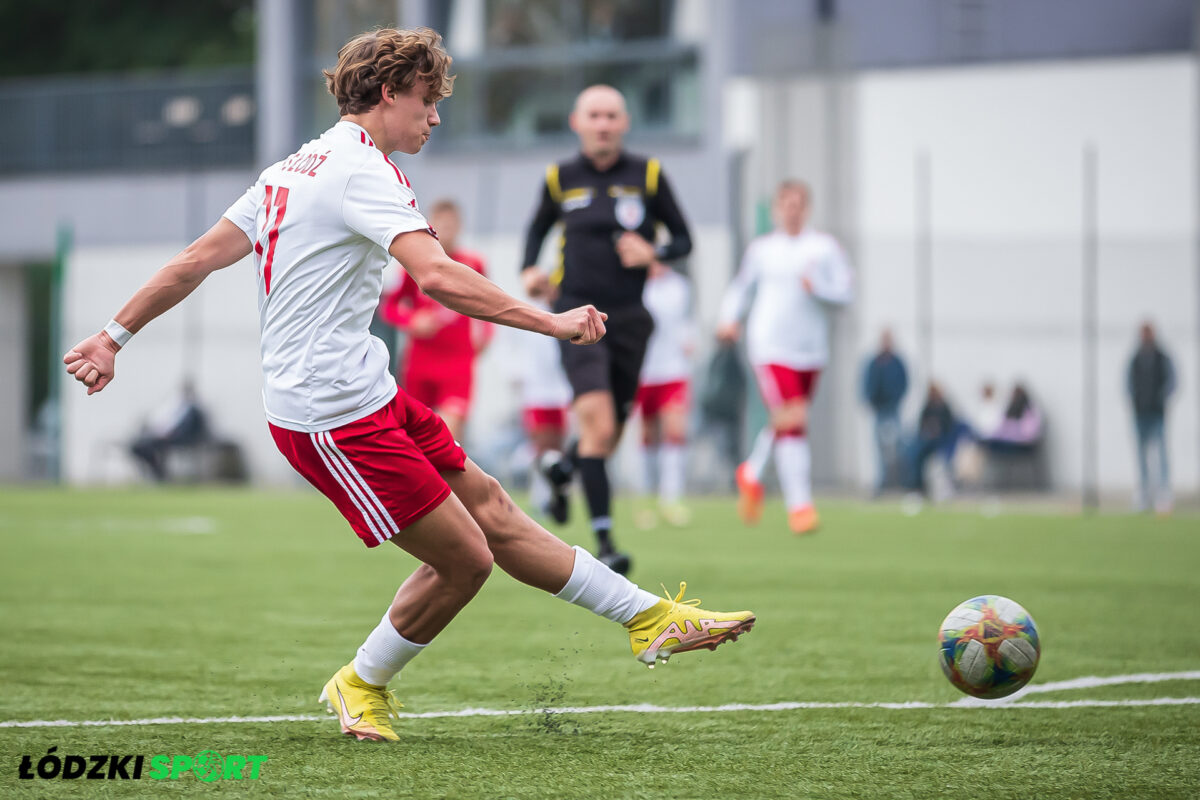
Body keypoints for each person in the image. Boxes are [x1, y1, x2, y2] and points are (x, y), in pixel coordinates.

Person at [64, 28, 753, 744]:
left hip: (366, 390)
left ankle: (649, 619)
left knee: (493, 507)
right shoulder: (363, 171)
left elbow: (195, 259)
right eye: (426, 102)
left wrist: (113, 337)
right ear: (388, 94)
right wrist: (548, 323)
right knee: (464, 559)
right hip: (327, 414)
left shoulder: (293, 167)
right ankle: (360, 683)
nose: (435, 117)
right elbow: (438, 275)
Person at [521, 84, 693, 574]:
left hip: (632, 321)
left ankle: (563, 470)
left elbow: (684, 238)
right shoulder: (560, 177)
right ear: (577, 122)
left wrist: (654, 252)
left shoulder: (649, 174)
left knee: (608, 434)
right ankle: (605, 543)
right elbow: (536, 229)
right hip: (577, 315)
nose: (602, 124)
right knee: (597, 424)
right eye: (594, 115)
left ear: (624, 122)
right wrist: (530, 270)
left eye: (611, 115)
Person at [717, 180, 854, 535]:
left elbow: (846, 292)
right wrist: (729, 319)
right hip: (770, 346)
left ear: (806, 208)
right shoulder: (763, 250)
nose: (791, 211)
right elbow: (741, 287)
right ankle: (801, 507)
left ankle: (751, 471)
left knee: (787, 418)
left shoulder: (824, 248)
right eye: (785, 205)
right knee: (795, 419)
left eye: (798, 204)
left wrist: (819, 289)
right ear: (777, 209)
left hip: (811, 350)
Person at [379, 198, 492, 441]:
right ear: (430, 226)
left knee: (450, 435)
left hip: (458, 361)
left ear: (459, 226)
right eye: (441, 225)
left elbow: (490, 302)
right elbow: (389, 307)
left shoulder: (473, 263)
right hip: (421, 360)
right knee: (418, 437)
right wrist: (412, 321)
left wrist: (486, 334)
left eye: (451, 225)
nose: (446, 231)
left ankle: (449, 477)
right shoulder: (416, 264)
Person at [633, 261, 695, 528]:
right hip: (643, 371)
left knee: (675, 430)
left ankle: (671, 499)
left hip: (673, 370)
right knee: (648, 434)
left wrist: (690, 340)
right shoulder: (634, 286)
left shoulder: (680, 287)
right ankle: (645, 499)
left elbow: (687, 321)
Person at [519, 293, 574, 524]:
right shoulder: (527, 308)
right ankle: (540, 499)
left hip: (561, 392)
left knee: (558, 449)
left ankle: (556, 498)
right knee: (541, 446)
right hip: (536, 393)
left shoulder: (568, 310)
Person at [1127, 321, 1176, 513]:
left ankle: (1163, 493)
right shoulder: (1135, 358)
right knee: (1141, 454)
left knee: (1161, 452)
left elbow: (1172, 380)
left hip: (1157, 412)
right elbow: (1128, 383)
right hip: (1140, 413)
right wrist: (1135, 400)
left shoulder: (1162, 357)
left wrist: (1161, 398)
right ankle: (1144, 492)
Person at [129, 379, 210, 482]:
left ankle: (159, 473)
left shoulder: (193, 409)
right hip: (163, 436)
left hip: (179, 439)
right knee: (140, 446)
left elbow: (186, 429)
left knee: (146, 446)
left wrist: (171, 434)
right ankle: (158, 471)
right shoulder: (175, 406)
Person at [861, 329, 908, 496]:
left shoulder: (897, 362)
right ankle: (881, 483)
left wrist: (895, 400)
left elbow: (904, 383)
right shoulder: (874, 362)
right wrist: (869, 401)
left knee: (898, 447)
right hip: (879, 411)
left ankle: (901, 482)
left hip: (893, 410)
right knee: (879, 449)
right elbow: (867, 384)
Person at [904, 381, 959, 496]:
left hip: (941, 441)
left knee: (940, 459)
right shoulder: (927, 407)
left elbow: (949, 427)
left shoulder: (945, 408)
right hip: (927, 441)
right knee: (915, 454)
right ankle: (916, 486)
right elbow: (921, 426)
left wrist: (937, 430)